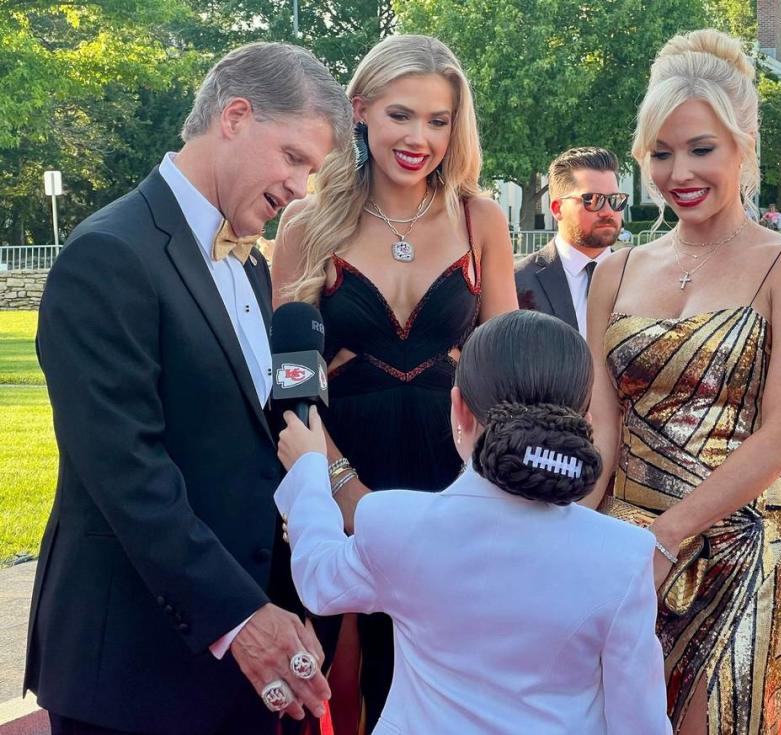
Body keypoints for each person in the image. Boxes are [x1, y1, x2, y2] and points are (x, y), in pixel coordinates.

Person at [24, 43, 352, 734]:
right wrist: (240, 617)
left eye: (312, 172)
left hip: (246, 665)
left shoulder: (254, 268)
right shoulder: (108, 254)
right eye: (294, 158)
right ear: (234, 116)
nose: (300, 187)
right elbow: (127, 472)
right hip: (136, 673)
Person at [584, 29, 781, 734]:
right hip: (626, 543)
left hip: (751, 547)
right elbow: (602, 429)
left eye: (700, 148)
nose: (678, 172)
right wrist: (567, 530)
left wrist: (664, 540)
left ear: (743, 146)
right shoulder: (617, 270)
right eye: (660, 153)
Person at [270, 34, 517, 733]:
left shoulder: (480, 219)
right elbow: (289, 379)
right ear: (361, 110)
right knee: (332, 672)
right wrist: (341, 486)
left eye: (439, 121)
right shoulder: (306, 222)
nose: (420, 138)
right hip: (332, 465)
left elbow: (507, 371)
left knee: (426, 675)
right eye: (401, 115)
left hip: (448, 479)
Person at [274, 309, 672, 735]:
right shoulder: (623, 554)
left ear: (459, 410)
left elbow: (319, 579)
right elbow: (640, 723)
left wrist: (310, 470)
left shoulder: (395, 523)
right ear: (585, 425)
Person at [514, 147, 627, 337]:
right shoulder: (518, 281)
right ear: (557, 208)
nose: (608, 211)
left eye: (615, 200)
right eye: (592, 200)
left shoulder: (637, 276)